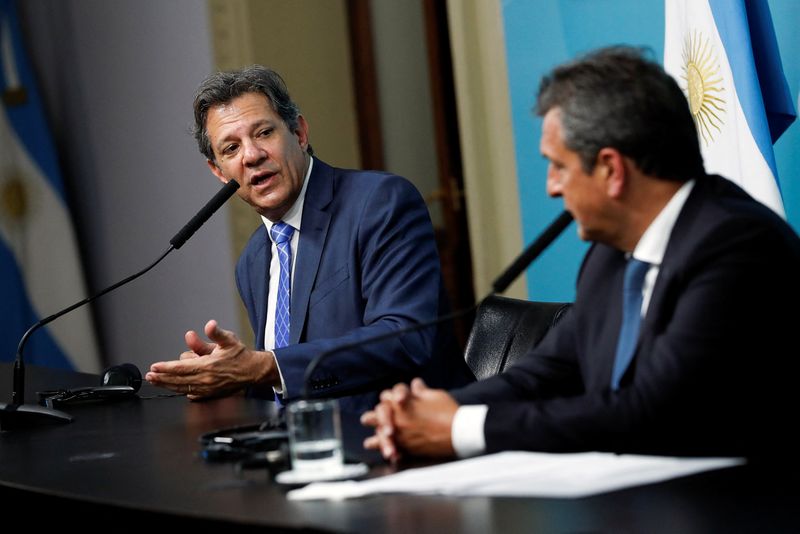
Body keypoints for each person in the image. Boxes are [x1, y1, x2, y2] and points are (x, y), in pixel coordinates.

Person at [362, 46, 800, 461]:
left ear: (611, 169)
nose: (552, 186)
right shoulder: (610, 256)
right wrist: (429, 413)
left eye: (559, 165)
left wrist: (460, 428)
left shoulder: (737, 247)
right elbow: (544, 374)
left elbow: (651, 411)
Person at [145, 65, 472, 412]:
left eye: (264, 133)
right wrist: (228, 375)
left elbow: (405, 339)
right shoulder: (254, 260)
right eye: (231, 148)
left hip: (410, 440)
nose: (251, 155)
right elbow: (287, 382)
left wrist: (264, 366)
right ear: (218, 171)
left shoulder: (380, 203)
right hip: (308, 449)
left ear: (299, 133)